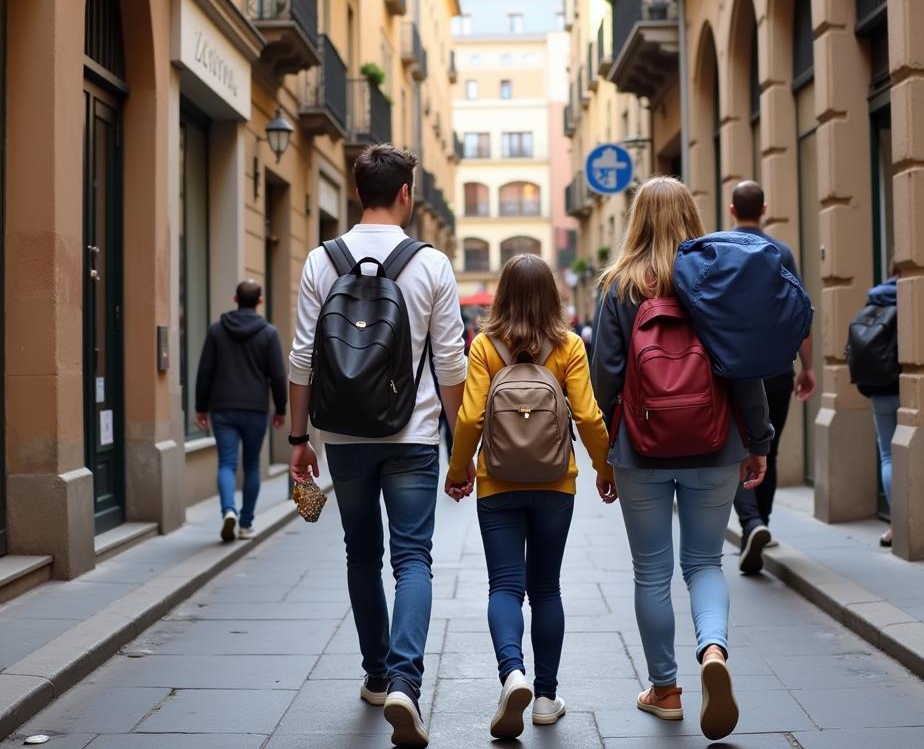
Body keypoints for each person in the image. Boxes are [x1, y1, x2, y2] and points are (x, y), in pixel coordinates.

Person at [287, 145, 467, 749]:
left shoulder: (321, 260)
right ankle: (406, 686)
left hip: (343, 435)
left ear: (357, 190)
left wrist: (297, 439)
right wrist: (463, 447)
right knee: (412, 557)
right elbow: (450, 363)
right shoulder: (431, 264)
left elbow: (303, 358)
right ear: (406, 194)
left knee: (361, 554)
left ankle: (376, 673)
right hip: (413, 436)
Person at [591, 176, 772, 742]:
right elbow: (743, 367)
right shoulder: (718, 276)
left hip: (640, 449)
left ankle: (665, 690)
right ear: (692, 215)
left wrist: (608, 450)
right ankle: (712, 650)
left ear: (636, 219)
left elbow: (604, 378)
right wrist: (757, 440)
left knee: (651, 570)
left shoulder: (619, 286)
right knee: (703, 564)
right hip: (716, 443)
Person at [445, 254, 615, 738]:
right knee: (546, 589)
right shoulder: (568, 347)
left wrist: (459, 471)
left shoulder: (484, 346)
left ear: (501, 294)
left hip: (497, 483)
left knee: (504, 587)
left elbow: (471, 418)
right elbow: (587, 416)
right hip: (554, 482)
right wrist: (606, 469)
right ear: (552, 297)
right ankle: (544, 697)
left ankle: (511, 673)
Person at [729, 180, 816, 575]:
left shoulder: (718, 248)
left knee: (735, 449)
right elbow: (800, 313)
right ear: (763, 210)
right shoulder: (780, 252)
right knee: (769, 448)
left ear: (732, 211)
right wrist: (808, 367)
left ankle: (752, 524)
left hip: (733, 370)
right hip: (778, 370)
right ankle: (761, 519)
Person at [195, 280, 287, 543]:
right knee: (252, 466)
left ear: (235, 297)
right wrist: (280, 409)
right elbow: (278, 376)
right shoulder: (269, 333)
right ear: (259, 301)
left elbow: (205, 371)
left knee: (226, 462)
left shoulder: (216, 330)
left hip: (223, 407)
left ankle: (228, 510)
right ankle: (246, 523)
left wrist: (201, 407)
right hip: (255, 408)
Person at [854, 268, 899, 548]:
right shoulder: (911, 295)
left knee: (888, 455)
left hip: (880, 387)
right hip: (907, 384)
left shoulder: (876, 298)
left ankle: (896, 525)